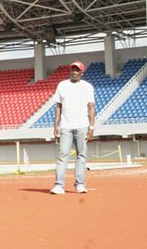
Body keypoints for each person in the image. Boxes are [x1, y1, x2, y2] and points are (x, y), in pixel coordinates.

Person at [50, 60, 95, 195]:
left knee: (81, 156)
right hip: (65, 126)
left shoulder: (87, 87)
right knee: (62, 156)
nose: (73, 72)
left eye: (76, 70)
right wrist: (56, 125)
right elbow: (58, 107)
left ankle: (80, 184)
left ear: (81, 72)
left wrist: (91, 127)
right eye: (72, 70)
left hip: (82, 126)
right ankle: (59, 185)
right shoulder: (62, 85)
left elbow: (91, 108)